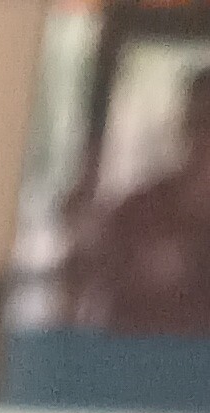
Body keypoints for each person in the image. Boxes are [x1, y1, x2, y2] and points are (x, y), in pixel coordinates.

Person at [73, 65, 210, 337]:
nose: (204, 137)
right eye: (199, 121)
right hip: (135, 356)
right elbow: (88, 292)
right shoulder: (137, 211)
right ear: (183, 125)